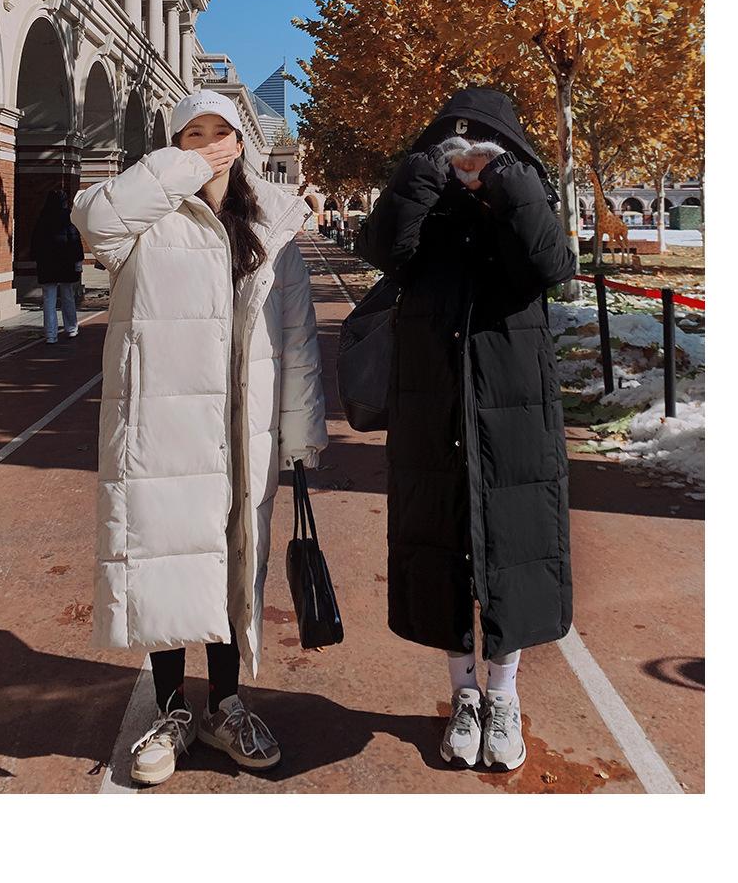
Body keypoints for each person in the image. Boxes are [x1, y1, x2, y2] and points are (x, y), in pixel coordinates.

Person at [71, 90, 327, 786]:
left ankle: (226, 705)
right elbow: (94, 220)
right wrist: (180, 171)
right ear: (173, 144)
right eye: (193, 134)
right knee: (165, 559)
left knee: (234, 561)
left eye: (221, 132)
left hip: (243, 426)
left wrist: (301, 433)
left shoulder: (273, 221)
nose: (210, 144)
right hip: (164, 425)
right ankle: (171, 710)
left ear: (242, 142)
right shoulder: (143, 220)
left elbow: (298, 337)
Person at [355, 85, 577, 772]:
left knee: (515, 543)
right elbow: (381, 247)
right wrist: (422, 177)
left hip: (516, 403)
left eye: (483, 144)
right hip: (433, 402)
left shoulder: (525, 198)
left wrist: (507, 182)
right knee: (441, 541)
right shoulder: (425, 206)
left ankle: (503, 694)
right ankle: (465, 695)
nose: (468, 156)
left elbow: (555, 267)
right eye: (454, 144)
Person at [29, 188, 83, 343]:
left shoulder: (42, 218)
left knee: (49, 299)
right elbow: (75, 241)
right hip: (66, 263)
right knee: (68, 296)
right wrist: (78, 261)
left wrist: (36, 259)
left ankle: (51, 335)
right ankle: (71, 328)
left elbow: (35, 242)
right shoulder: (69, 218)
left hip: (47, 264)